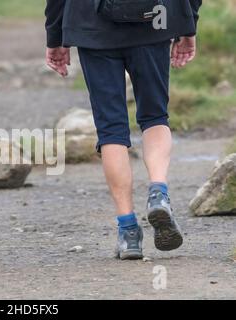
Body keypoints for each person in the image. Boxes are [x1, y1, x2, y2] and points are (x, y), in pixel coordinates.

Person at [45, 0, 202, 259]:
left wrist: (56, 37)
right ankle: (158, 193)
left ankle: (129, 232)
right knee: (155, 117)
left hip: (92, 27)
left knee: (111, 131)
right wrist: (188, 25)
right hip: (154, 21)